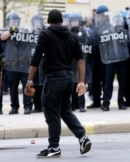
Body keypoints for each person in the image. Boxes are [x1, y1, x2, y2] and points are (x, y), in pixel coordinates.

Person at [25, 9, 91, 158]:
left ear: (48, 21)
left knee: (51, 111)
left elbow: (36, 58)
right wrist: (81, 81)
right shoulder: (72, 37)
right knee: (65, 110)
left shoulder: (46, 34)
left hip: (53, 79)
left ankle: (54, 147)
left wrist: (30, 80)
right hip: (68, 78)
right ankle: (82, 137)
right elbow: (81, 60)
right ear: (62, 21)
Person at [95, 5, 130, 111]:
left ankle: (121, 101)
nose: (100, 17)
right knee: (108, 81)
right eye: (99, 16)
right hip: (109, 58)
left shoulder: (116, 25)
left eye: (102, 15)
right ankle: (106, 102)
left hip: (121, 57)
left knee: (122, 80)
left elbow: (126, 40)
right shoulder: (100, 28)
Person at [0, 11, 33, 115]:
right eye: (12, 21)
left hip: (24, 65)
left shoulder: (24, 30)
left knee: (26, 87)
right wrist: (11, 31)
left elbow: (31, 38)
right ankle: (14, 107)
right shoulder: (7, 30)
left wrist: (23, 32)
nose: (14, 23)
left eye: (16, 21)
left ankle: (27, 106)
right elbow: (2, 37)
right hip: (12, 65)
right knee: (13, 88)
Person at [68, 12, 87, 112]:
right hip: (71, 62)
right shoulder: (67, 33)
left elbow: (87, 45)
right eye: (72, 21)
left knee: (80, 82)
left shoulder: (83, 32)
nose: (74, 22)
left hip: (80, 61)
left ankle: (81, 105)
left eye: (76, 20)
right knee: (71, 84)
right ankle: (72, 105)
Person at [30, 14, 45, 113]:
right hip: (35, 63)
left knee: (44, 85)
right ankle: (37, 106)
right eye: (35, 22)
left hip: (44, 63)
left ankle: (44, 106)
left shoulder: (45, 33)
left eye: (38, 22)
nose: (37, 24)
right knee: (35, 85)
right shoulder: (30, 34)